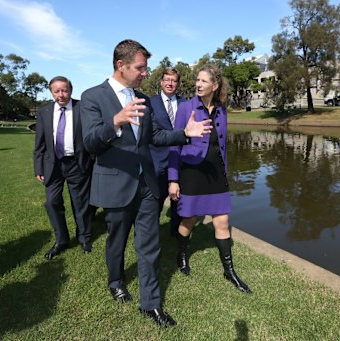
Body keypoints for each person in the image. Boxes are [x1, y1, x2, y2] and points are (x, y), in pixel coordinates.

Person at [80, 39, 212, 327]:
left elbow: (155, 137)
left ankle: (150, 304)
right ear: (121, 65)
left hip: (148, 185)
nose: (144, 73)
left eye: (145, 68)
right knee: (117, 240)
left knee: (149, 245)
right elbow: (90, 143)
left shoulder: (142, 98)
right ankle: (115, 280)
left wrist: (185, 133)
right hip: (116, 184)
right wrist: (115, 122)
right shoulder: (92, 97)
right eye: (140, 67)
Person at [168, 64, 251, 293]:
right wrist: (173, 179)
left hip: (215, 173)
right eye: (197, 80)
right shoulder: (186, 108)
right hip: (192, 173)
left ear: (215, 85)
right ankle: (182, 255)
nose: (198, 84)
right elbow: (175, 145)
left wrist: (225, 171)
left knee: (222, 221)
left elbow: (222, 145)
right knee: (190, 219)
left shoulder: (222, 110)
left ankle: (229, 271)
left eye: (203, 81)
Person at [34, 76, 97, 259]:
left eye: (64, 90)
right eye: (57, 91)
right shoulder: (44, 112)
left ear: (71, 90)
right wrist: (38, 167)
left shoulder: (81, 108)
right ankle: (61, 240)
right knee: (52, 202)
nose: (61, 95)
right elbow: (39, 143)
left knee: (80, 203)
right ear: (51, 92)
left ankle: (84, 237)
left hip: (77, 163)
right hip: (52, 165)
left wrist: (90, 159)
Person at [149, 68, 185, 237]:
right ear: (161, 82)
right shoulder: (150, 103)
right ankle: (151, 234)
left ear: (178, 84)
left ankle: (176, 232)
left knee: (178, 200)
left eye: (174, 80)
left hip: (180, 160)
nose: (170, 83)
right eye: (167, 80)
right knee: (156, 201)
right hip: (157, 161)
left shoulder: (186, 104)